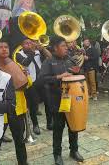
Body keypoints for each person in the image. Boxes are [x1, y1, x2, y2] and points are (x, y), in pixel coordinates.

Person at [38, 36, 84, 165]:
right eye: (63, 46)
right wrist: (59, 76)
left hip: (72, 101)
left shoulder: (69, 59)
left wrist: (77, 71)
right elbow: (41, 80)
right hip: (56, 101)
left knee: (73, 127)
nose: (66, 48)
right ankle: (57, 154)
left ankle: (73, 150)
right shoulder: (48, 62)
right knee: (58, 128)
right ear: (55, 48)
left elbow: (78, 75)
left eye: (65, 45)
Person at [0, 39, 28, 165]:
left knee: (19, 140)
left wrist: (23, 74)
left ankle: (23, 162)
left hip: (16, 108)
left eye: (6, 46)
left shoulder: (15, 64)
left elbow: (24, 85)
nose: (4, 49)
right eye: (0, 47)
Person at [14, 38, 51, 135]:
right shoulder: (18, 54)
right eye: (27, 43)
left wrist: (42, 49)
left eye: (31, 43)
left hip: (41, 80)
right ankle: (35, 125)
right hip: (31, 82)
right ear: (22, 45)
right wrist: (32, 52)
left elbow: (50, 57)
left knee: (48, 102)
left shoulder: (38, 52)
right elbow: (25, 63)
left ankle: (49, 122)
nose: (30, 45)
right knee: (33, 105)